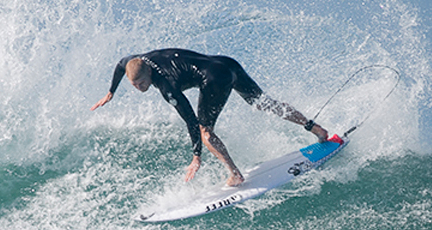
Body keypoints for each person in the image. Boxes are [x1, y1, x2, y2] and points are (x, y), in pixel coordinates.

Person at [90, 48, 331, 186]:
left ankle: (235, 174)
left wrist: (196, 156)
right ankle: (316, 129)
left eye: (142, 84)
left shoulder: (168, 87)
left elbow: (190, 121)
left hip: (215, 79)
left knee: (206, 132)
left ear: (149, 73)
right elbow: (122, 66)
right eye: (134, 86)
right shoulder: (135, 62)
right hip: (226, 63)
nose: (139, 88)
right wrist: (112, 90)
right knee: (263, 103)